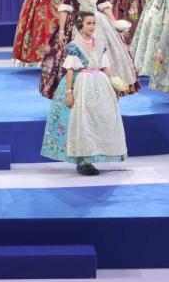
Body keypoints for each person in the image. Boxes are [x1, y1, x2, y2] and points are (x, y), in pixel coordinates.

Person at [40, 0, 138, 99]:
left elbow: (104, 5)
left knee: (104, 57)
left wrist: (114, 23)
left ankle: (104, 92)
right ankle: (76, 91)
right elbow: (65, 7)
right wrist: (61, 31)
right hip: (77, 23)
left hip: (98, 22)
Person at [41, 12, 128, 176]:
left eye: (94, 23)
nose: (92, 26)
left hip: (100, 85)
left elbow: (104, 67)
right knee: (82, 121)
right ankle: (83, 161)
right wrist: (69, 92)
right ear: (81, 25)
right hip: (82, 84)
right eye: (88, 23)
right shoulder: (75, 46)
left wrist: (114, 82)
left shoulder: (100, 44)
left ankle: (95, 154)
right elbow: (70, 70)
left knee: (99, 119)